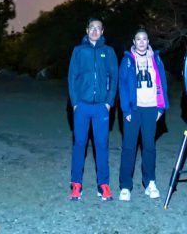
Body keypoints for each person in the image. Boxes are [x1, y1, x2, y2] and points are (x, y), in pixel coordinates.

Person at [68, 17, 118, 201]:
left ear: (102, 31)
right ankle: (76, 185)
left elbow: (114, 77)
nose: (95, 31)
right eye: (92, 28)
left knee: (101, 145)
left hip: (101, 107)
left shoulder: (109, 51)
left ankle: (103, 185)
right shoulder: (78, 51)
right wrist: (75, 102)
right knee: (79, 144)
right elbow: (72, 77)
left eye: (98, 28)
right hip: (82, 105)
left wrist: (109, 102)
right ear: (86, 30)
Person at [118, 27, 169, 201]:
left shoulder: (156, 58)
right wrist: (126, 109)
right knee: (129, 147)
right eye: (138, 39)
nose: (141, 42)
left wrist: (161, 108)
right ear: (134, 41)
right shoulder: (127, 60)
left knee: (149, 147)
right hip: (134, 109)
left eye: (144, 39)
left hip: (151, 108)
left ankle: (150, 183)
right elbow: (122, 86)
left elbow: (162, 82)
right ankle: (125, 186)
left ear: (148, 41)